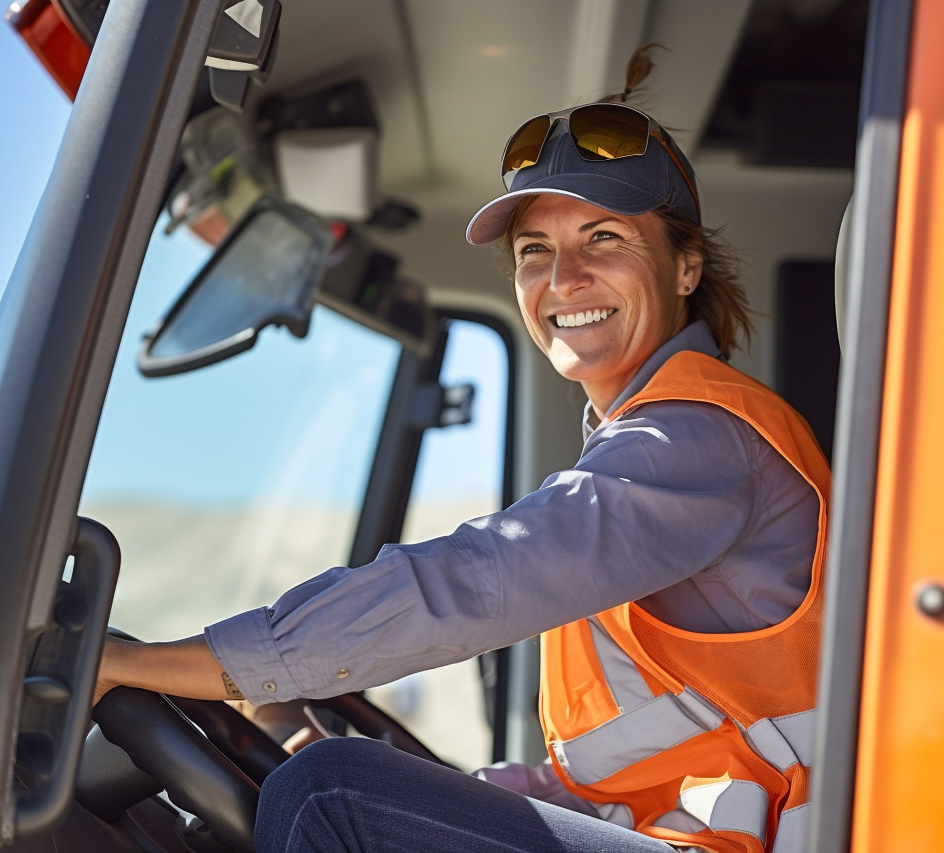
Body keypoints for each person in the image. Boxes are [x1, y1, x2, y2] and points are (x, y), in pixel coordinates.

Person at [94, 48, 830, 853]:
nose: (565, 277)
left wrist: (170, 663)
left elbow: (476, 583)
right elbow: (612, 784)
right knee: (345, 777)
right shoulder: (646, 440)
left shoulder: (696, 435)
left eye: (604, 238)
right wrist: (434, 779)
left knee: (329, 794)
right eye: (533, 252)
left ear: (685, 267)